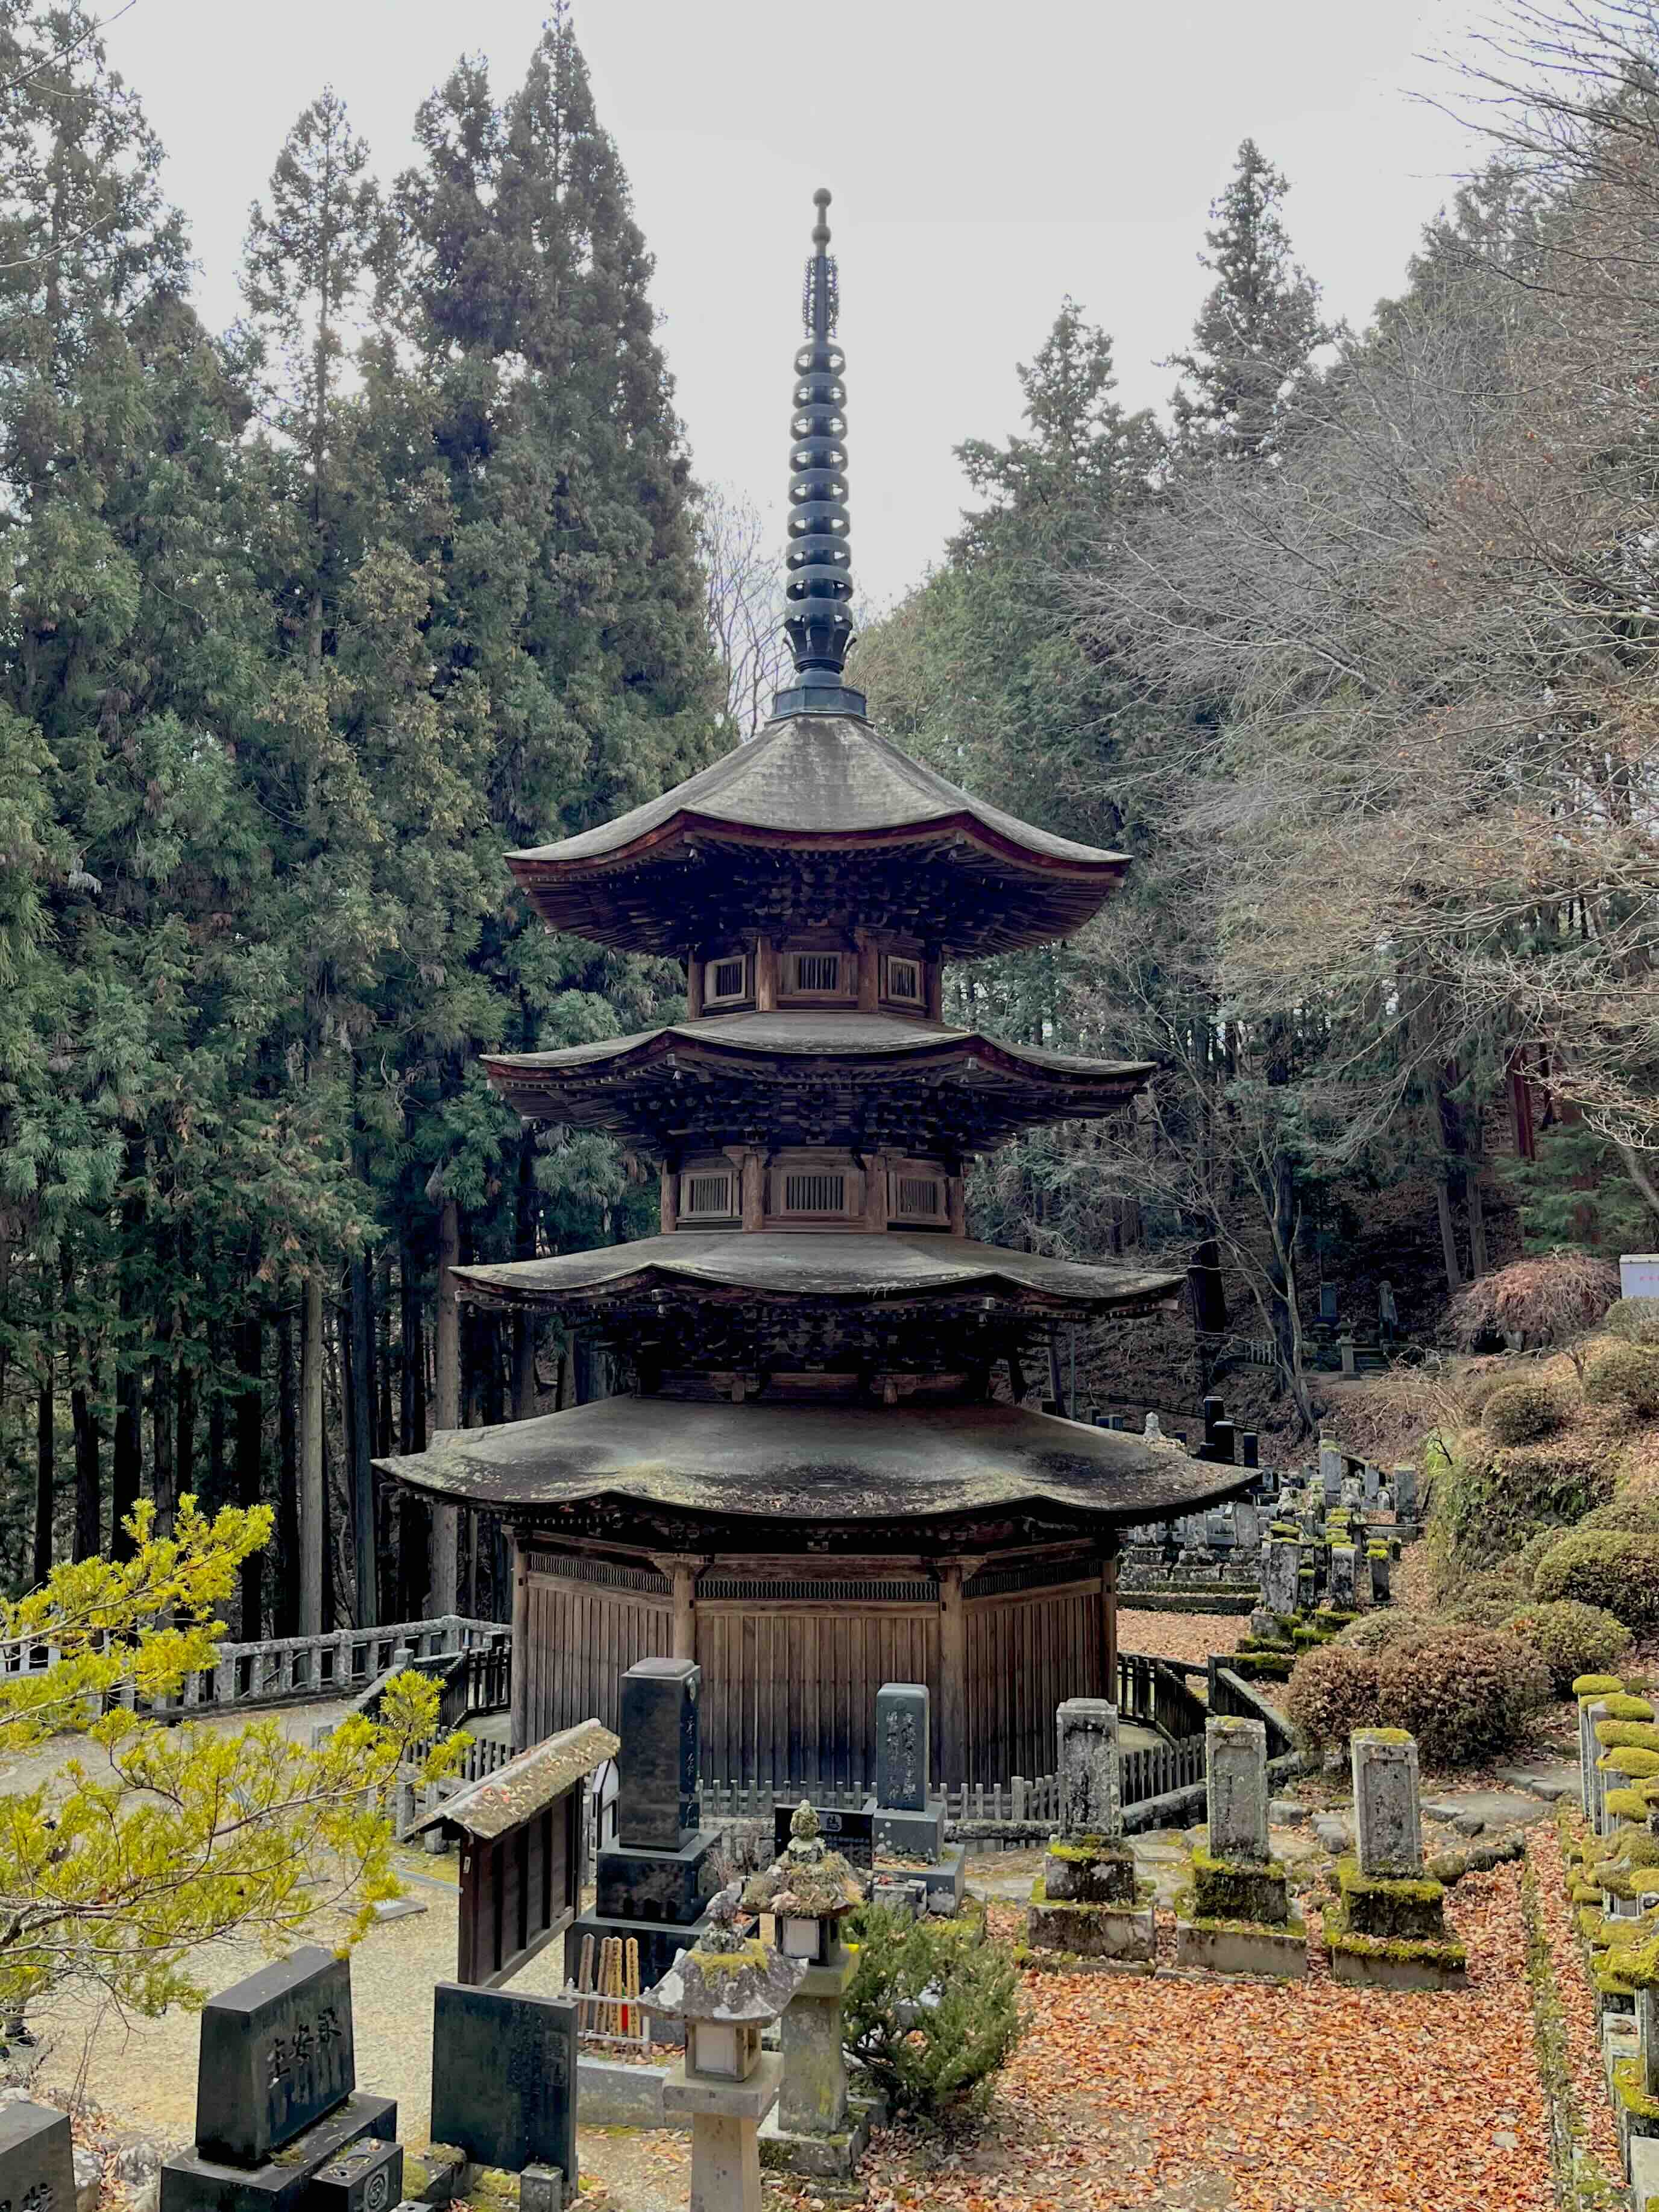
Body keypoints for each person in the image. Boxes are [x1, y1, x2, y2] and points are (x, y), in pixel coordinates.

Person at [1378, 1279, 1398, 1347]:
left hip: (1390, 1311)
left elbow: (1391, 1305)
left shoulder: (1390, 1295)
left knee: (1391, 1323)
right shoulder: (1382, 1293)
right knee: (1385, 1323)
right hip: (1385, 1310)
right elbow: (1382, 1304)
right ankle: (1386, 1337)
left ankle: (1391, 1338)